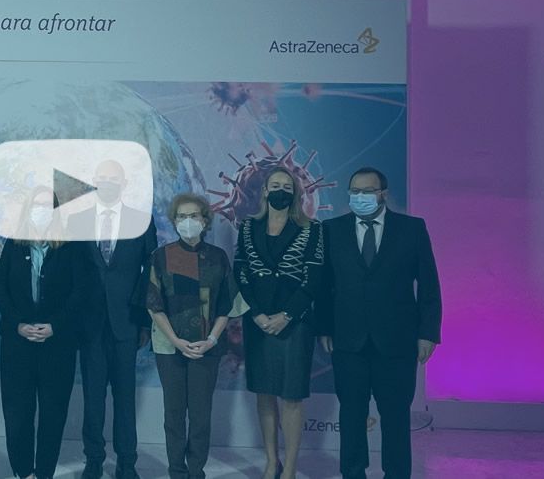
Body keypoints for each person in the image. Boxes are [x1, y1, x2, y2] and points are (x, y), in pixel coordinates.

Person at [315, 167, 442, 479]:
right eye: (355, 191)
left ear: (383, 194)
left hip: (398, 341)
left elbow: (429, 285)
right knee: (351, 415)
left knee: (396, 416)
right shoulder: (331, 229)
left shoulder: (412, 229)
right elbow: (323, 285)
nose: (360, 197)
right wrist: (324, 326)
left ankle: (396, 474)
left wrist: (428, 333)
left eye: (368, 191)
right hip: (348, 341)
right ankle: (353, 473)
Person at [66, 160, 157, 479]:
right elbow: (70, 274)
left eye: (112, 178)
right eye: (101, 177)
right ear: (94, 181)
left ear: (124, 183)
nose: (106, 182)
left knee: (125, 398)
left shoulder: (141, 221)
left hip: (127, 323)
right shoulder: (77, 220)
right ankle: (93, 459)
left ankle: (127, 462)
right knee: (93, 398)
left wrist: (145, 322)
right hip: (89, 324)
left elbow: (151, 275)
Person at [0, 187, 94, 479]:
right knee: (17, 415)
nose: (42, 210)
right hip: (18, 343)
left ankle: (44, 473)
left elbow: (81, 291)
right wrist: (18, 324)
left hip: (57, 345)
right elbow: (0, 289)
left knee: (53, 414)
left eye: (48, 205)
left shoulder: (71, 246)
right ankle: (23, 472)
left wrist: (55, 326)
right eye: (37, 204)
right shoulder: (14, 244)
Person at [233, 167, 325, 479]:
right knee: (264, 393)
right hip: (258, 322)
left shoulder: (312, 229)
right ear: (265, 190)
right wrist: (257, 313)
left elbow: (314, 278)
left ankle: (291, 466)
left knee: (292, 396)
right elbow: (241, 272)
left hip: (295, 324)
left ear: (295, 193)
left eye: (287, 186)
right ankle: (272, 462)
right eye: (275, 185)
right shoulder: (248, 227)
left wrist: (287, 315)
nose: (281, 190)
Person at [146, 194, 238, 479]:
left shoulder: (218, 257)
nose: (188, 221)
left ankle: (196, 471)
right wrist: (176, 340)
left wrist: (211, 340)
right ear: (174, 221)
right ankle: (177, 471)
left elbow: (227, 305)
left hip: (207, 347)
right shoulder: (160, 256)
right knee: (174, 415)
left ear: (205, 220)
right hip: (169, 347)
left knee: (200, 415)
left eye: (194, 216)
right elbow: (154, 305)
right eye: (182, 216)